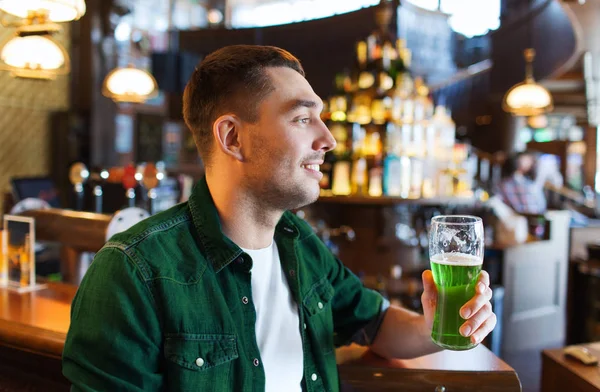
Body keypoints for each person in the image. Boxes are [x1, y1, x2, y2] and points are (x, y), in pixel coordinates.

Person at [62, 45, 496, 391]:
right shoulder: (134, 271)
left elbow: (377, 323)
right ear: (232, 137)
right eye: (303, 118)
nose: (327, 139)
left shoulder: (299, 244)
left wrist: (443, 323)